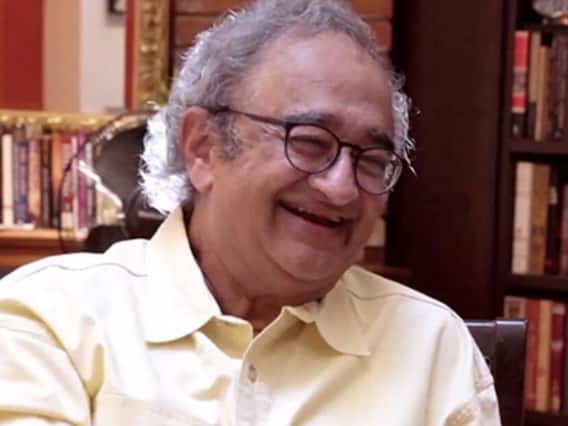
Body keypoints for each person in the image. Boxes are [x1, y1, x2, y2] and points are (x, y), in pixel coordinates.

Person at [0, 0, 500, 424]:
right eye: (309, 142)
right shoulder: (52, 318)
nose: (342, 188)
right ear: (203, 147)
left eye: (371, 160)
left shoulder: (429, 346)